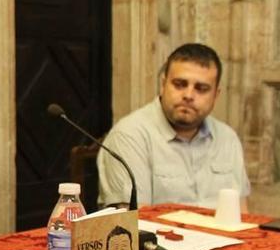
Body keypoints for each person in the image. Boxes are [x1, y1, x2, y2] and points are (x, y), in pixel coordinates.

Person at [98, 43, 250, 210]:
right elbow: (134, 223)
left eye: (201, 88)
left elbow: (241, 214)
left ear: (216, 95)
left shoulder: (227, 138)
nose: (188, 95)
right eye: (179, 84)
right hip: (162, 236)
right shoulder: (129, 136)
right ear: (163, 85)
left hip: (226, 236)